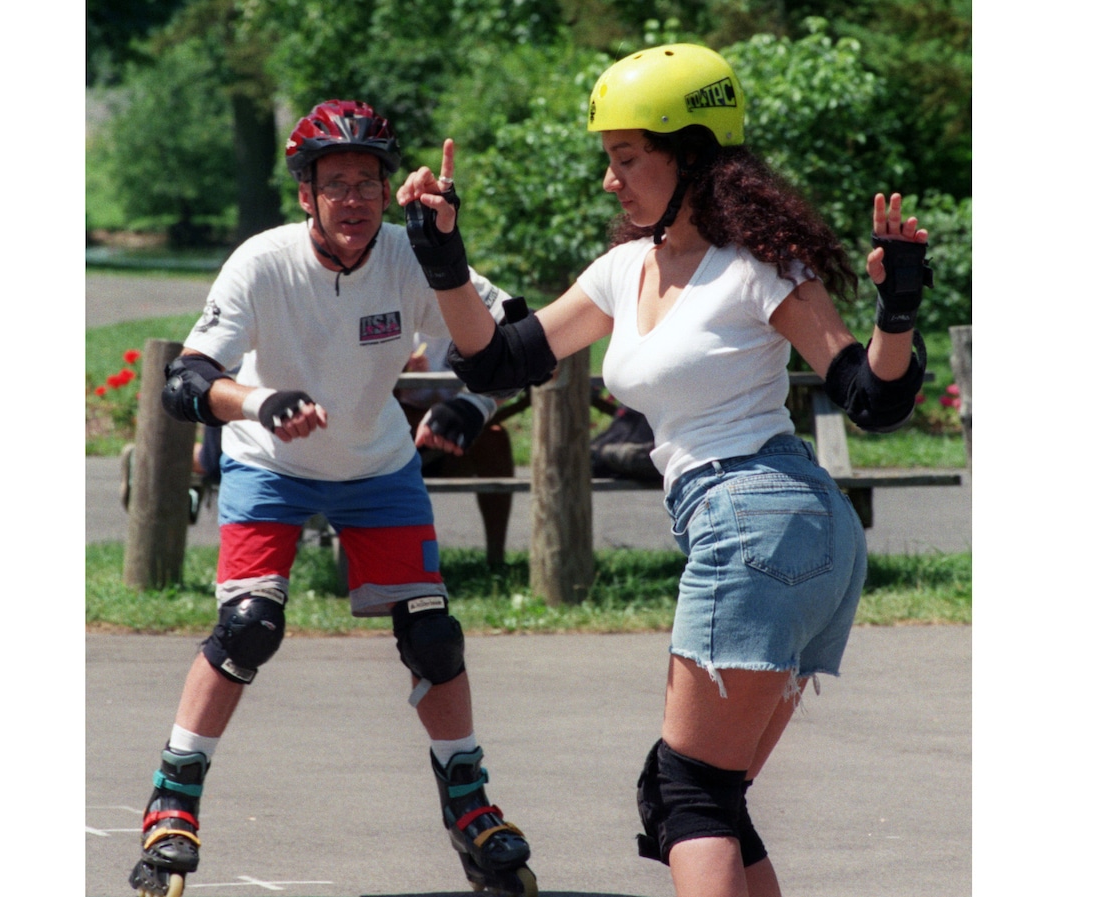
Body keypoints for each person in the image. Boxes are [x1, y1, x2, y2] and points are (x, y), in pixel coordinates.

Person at [397, 44, 931, 897]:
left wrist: (896, 312)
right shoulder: (625, 268)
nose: (611, 180)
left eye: (626, 158)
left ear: (694, 154)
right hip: (788, 532)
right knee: (708, 791)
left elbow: (870, 396)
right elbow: (499, 361)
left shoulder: (760, 267)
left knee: (686, 795)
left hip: (757, 520)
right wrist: (444, 262)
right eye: (608, 159)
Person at [129, 99, 536, 897]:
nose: (354, 198)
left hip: (377, 466)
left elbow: (518, 344)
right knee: (249, 626)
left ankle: (469, 802)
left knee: (433, 637)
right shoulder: (263, 260)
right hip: (268, 462)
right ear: (306, 194)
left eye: (368, 182)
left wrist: (469, 403)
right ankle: (172, 801)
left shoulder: (412, 255)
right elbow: (190, 379)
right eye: (336, 182)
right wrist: (259, 401)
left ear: (389, 192)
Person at [397, 337, 516, 566]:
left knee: (494, 439)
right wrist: (400, 369)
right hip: (403, 429)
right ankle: (391, 559)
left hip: (459, 427)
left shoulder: (474, 318)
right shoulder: (399, 315)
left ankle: (496, 558)